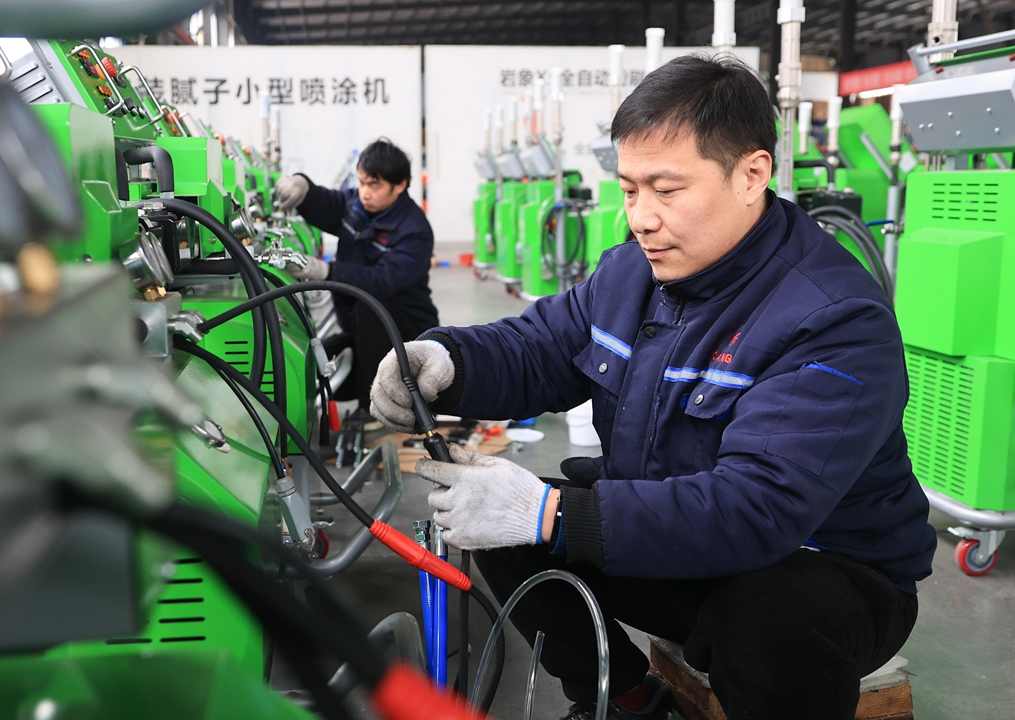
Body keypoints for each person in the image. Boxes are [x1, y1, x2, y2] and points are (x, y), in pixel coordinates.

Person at [370, 56, 935, 720]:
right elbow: (539, 346)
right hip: (676, 540)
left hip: (823, 568)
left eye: (666, 190)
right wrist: (447, 361)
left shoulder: (831, 316)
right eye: (629, 188)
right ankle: (627, 701)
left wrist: (551, 513)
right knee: (493, 524)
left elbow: (758, 509)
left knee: (767, 618)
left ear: (752, 174)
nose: (640, 217)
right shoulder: (630, 273)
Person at [274, 138, 439, 423]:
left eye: (374, 185)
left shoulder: (414, 230)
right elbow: (328, 203)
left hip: (405, 330)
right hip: (359, 327)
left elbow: (384, 280)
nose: (364, 192)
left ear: (399, 185)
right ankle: (367, 394)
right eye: (362, 182)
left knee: (370, 307)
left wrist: (326, 272)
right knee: (319, 362)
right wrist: (303, 187)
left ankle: (377, 412)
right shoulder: (357, 206)